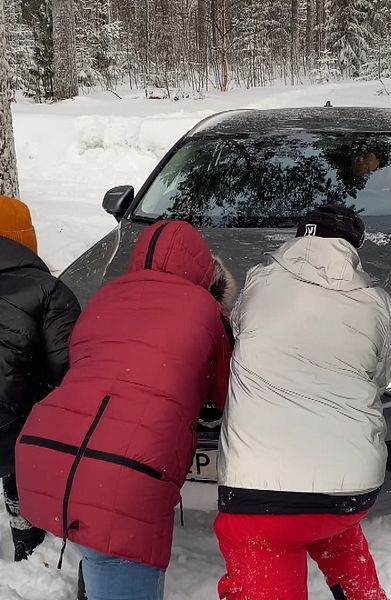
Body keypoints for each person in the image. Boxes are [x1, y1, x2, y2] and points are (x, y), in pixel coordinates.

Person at [16, 220, 235, 600]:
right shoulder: (205, 309)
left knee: (97, 541)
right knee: (112, 553)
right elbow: (225, 393)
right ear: (202, 267)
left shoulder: (105, 294)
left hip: (48, 452)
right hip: (126, 471)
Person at [216, 204, 391, 600]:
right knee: (332, 524)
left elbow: (240, 338)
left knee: (271, 543)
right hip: (351, 490)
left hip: (258, 496)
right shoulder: (374, 301)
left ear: (299, 238)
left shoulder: (259, 283)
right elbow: (380, 378)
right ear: (352, 248)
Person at [0, 195, 81, 561]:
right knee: (23, 430)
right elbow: (68, 372)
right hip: (14, 433)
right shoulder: (49, 291)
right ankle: (27, 541)